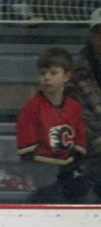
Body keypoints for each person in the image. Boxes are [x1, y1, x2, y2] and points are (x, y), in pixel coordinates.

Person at [16, 47, 89, 203]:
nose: (47, 78)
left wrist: (75, 163)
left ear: (67, 76)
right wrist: (31, 171)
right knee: (56, 201)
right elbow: (26, 146)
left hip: (68, 166)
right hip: (42, 167)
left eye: (53, 73)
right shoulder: (31, 108)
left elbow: (80, 138)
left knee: (88, 197)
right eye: (42, 73)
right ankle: (34, 200)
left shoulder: (74, 106)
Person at [69, 8, 101, 200]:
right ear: (91, 34)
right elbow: (81, 119)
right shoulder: (77, 72)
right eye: (98, 31)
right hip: (93, 155)